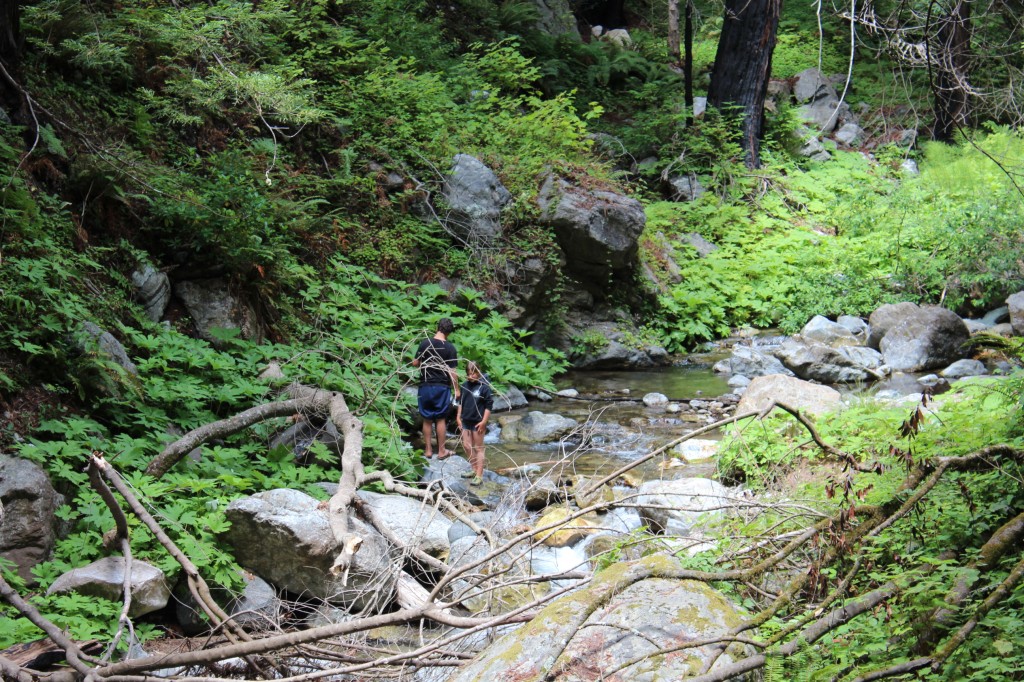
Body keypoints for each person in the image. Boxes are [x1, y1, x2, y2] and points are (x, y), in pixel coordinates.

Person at [412, 318, 459, 459]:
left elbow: (415, 363)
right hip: (442, 387)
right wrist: (457, 389)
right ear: (449, 333)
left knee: (427, 419)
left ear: (437, 328)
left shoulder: (425, 343)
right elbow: (453, 372)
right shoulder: (450, 348)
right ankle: (441, 451)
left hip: (425, 385)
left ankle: (428, 450)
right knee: (440, 419)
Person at [456, 360, 493, 486]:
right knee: (466, 445)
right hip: (465, 420)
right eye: (469, 373)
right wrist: (458, 417)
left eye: (474, 373)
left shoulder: (484, 387)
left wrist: (484, 421)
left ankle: (479, 475)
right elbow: (460, 402)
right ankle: (473, 468)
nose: (471, 376)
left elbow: (489, 406)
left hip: (478, 422)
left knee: (478, 448)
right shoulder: (465, 385)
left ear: (479, 372)